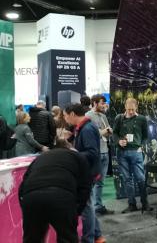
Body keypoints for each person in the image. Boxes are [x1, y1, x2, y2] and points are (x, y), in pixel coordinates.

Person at [19, 141, 92, 243]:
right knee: (67, 238)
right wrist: (76, 211)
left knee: (32, 239)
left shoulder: (40, 158)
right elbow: (85, 187)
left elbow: (23, 185)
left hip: (31, 197)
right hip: (61, 196)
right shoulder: (78, 156)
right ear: (70, 148)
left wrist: (25, 206)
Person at [64, 103, 105, 243]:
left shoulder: (87, 129)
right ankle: (98, 236)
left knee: (87, 208)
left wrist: (74, 153)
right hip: (89, 171)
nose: (65, 119)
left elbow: (92, 153)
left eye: (65, 115)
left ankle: (89, 239)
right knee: (89, 206)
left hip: (89, 173)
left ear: (73, 114)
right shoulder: (83, 127)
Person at [113, 98, 152, 213]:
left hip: (136, 152)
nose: (130, 111)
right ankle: (132, 204)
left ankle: (145, 203)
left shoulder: (141, 119)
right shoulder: (118, 118)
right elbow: (114, 133)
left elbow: (145, 136)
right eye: (128, 109)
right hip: (122, 153)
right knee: (127, 179)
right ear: (125, 107)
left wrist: (142, 146)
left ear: (136, 107)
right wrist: (119, 141)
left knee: (140, 178)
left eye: (132, 109)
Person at [86, 94, 115, 216]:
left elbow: (107, 131)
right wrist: (105, 131)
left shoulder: (103, 116)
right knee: (93, 181)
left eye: (104, 103)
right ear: (94, 103)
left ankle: (98, 206)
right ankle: (91, 208)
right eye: (101, 103)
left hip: (105, 151)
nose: (104, 105)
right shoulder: (88, 116)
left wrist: (109, 132)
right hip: (95, 153)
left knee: (101, 182)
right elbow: (92, 134)